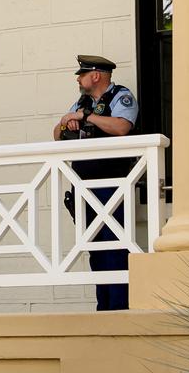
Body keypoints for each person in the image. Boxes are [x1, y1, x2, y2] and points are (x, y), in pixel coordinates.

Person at [52, 54, 140, 311]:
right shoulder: (82, 102)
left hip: (112, 184)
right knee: (95, 249)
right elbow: (57, 136)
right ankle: (104, 308)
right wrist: (64, 121)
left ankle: (120, 308)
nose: (79, 80)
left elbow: (123, 127)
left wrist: (86, 117)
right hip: (84, 186)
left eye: (82, 74)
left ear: (96, 75)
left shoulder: (120, 96)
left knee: (114, 247)